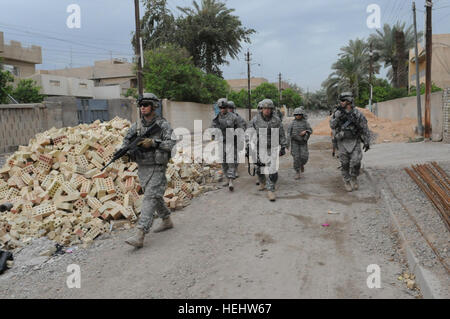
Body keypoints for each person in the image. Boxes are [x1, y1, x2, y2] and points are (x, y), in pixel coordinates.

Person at [123, 93, 176, 248]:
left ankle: (140, 233)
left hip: (158, 165)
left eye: (145, 104)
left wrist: (154, 143)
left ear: (153, 106)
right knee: (153, 195)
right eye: (141, 105)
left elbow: (171, 143)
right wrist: (124, 152)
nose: (142, 108)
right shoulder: (137, 126)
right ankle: (166, 220)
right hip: (143, 166)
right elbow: (126, 141)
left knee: (150, 197)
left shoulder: (163, 125)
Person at [330, 92, 370, 192]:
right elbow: (332, 125)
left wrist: (366, 141)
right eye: (340, 100)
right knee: (345, 163)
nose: (341, 102)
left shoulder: (357, 113)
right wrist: (337, 117)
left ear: (348, 101)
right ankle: (347, 181)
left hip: (354, 140)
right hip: (342, 141)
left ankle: (354, 177)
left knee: (356, 161)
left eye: (343, 100)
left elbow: (364, 127)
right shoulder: (337, 112)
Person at [249, 99, 287, 201]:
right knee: (259, 167)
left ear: (272, 109)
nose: (266, 110)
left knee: (273, 169)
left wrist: (283, 146)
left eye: (269, 108)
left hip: (272, 147)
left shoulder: (276, 120)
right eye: (264, 108)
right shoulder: (255, 120)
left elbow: (281, 133)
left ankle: (271, 190)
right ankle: (262, 182)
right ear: (261, 109)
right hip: (259, 147)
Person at [211, 98, 244, 191]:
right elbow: (212, 127)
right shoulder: (216, 118)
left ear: (227, 107)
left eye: (224, 107)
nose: (222, 109)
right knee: (223, 162)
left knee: (231, 162)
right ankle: (227, 178)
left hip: (231, 142)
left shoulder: (234, 117)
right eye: (221, 107)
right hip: (221, 142)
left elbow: (240, 128)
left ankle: (231, 181)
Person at [287, 107, 313, 180]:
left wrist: (306, 131)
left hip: (303, 142)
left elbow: (310, 130)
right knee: (296, 158)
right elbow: (288, 133)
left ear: (302, 115)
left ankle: (302, 164)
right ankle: (297, 172)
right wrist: (287, 143)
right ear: (294, 115)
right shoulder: (292, 123)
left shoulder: (305, 122)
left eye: (299, 114)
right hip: (294, 142)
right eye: (296, 114)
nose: (298, 116)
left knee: (304, 157)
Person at [227, 101, 247, 178]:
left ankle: (235, 169)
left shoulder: (238, 118)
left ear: (233, 109)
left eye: (231, 108)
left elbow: (243, 126)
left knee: (235, 155)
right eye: (228, 108)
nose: (229, 110)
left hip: (236, 139)